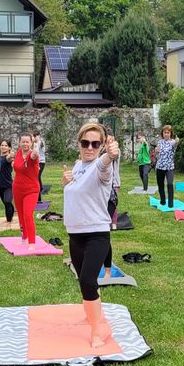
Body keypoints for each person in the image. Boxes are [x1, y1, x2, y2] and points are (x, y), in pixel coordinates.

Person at [63, 123, 120, 347]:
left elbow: (105, 164)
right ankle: (92, 313)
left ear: (101, 145)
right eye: (85, 143)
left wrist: (109, 154)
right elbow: (73, 191)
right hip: (74, 234)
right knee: (83, 281)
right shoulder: (77, 165)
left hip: (96, 234)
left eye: (95, 143)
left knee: (88, 280)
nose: (90, 147)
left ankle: (96, 331)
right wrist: (65, 181)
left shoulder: (101, 165)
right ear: (79, 143)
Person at [13, 133, 41, 248]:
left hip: (31, 190)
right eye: (23, 142)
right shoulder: (18, 153)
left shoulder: (32, 155)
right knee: (20, 215)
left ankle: (32, 242)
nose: (25, 144)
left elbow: (34, 156)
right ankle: (24, 237)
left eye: (27, 142)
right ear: (20, 143)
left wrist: (35, 150)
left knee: (28, 215)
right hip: (17, 189)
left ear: (31, 143)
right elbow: (15, 166)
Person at [152, 125, 180, 207]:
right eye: (165, 132)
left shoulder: (173, 142)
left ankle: (170, 204)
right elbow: (157, 154)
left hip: (169, 167)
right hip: (160, 166)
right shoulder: (160, 142)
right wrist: (156, 151)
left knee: (170, 184)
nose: (166, 134)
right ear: (162, 133)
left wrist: (177, 142)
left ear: (171, 133)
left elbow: (175, 145)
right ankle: (163, 201)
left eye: (168, 132)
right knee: (160, 184)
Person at [0, 139, 15, 224]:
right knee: (6, 203)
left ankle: (9, 221)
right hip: (2, 186)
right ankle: (12, 212)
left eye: (6, 145)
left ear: (9, 148)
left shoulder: (7, 157)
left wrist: (12, 154)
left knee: (7, 202)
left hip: (9, 186)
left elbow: (10, 157)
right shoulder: (0, 157)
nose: (3, 147)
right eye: (2, 145)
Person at [33, 130, 47, 201]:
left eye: (36, 136)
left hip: (41, 162)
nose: (35, 138)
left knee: (37, 176)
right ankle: (40, 188)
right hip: (35, 162)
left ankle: (40, 190)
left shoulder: (41, 142)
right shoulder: (33, 143)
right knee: (36, 176)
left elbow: (42, 150)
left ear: (38, 136)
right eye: (34, 136)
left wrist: (39, 142)